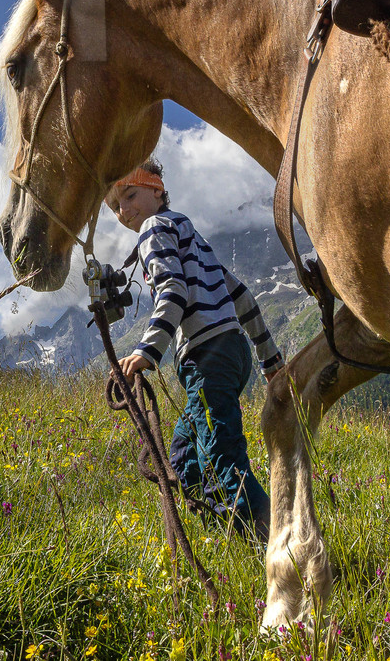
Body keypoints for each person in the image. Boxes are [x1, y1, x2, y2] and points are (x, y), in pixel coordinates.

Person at [108, 157, 284, 541]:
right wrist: (270, 359)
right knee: (185, 457)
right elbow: (241, 295)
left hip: (206, 357)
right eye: (115, 206)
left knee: (223, 462)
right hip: (232, 353)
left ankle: (281, 546)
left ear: (156, 189)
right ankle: (223, 539)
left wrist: (147, 352)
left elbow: (172, 291)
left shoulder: (153, 230)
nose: (124, 211)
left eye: (130, 195)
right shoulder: (188, 232)